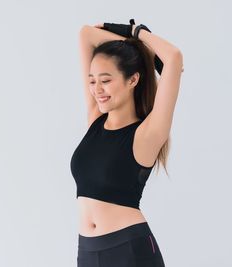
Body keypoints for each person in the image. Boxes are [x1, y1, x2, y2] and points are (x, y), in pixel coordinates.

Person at [70, 19, 183, 267]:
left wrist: (136, 32)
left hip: (129, 252)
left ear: (133, 80)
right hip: (87, 253)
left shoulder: (147, 134)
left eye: (106, 80)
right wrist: (141, 52)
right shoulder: (95, 121)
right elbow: (86, 34)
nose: (96, 89)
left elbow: (173, 58)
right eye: (92, 81)